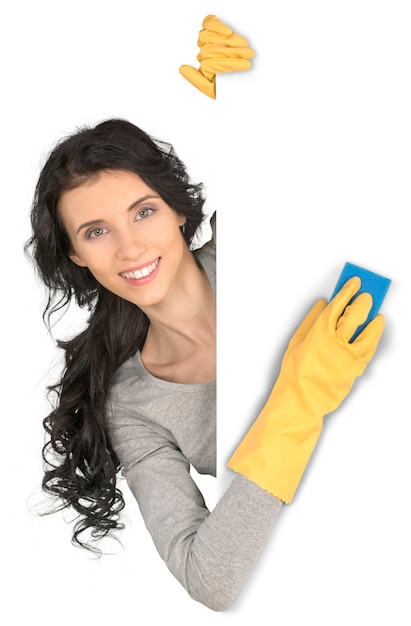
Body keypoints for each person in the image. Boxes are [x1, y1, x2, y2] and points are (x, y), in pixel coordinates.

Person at [26, 118, 385, 612]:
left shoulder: (255, 241)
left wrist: (261, 63)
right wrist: (299, 399)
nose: (129, 248)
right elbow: (209, 580)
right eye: (97, 231)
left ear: (177, 208)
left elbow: (355, 150)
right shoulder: (133, 406)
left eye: (144, 211)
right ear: (76, 254)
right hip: (355, 576)